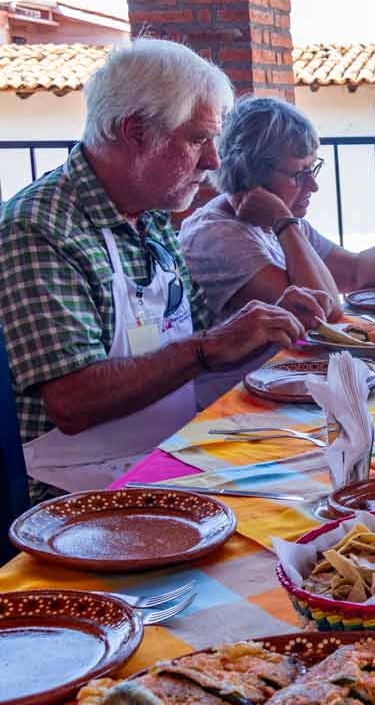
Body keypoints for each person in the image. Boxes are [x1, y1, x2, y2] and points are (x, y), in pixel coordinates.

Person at [0, 40, 333, 500]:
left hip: (173, 454)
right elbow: (73, 401)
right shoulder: (39, 227)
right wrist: (209, 347)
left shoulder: (151, 216)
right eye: (197, 140)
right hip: (81, 491)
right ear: (135, 132)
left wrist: (264, 323)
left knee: (327, 478)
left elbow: (199, 333)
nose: (214, 160)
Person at [180, 97, 375, 404]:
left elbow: (353, 272)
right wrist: (284, 222)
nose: (313, 185)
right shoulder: (217, 235)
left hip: (287, 384)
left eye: (313, 168)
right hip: (237, 402)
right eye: (299, 173)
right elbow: (323, 311)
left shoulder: (282, 225)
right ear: (252, 174)